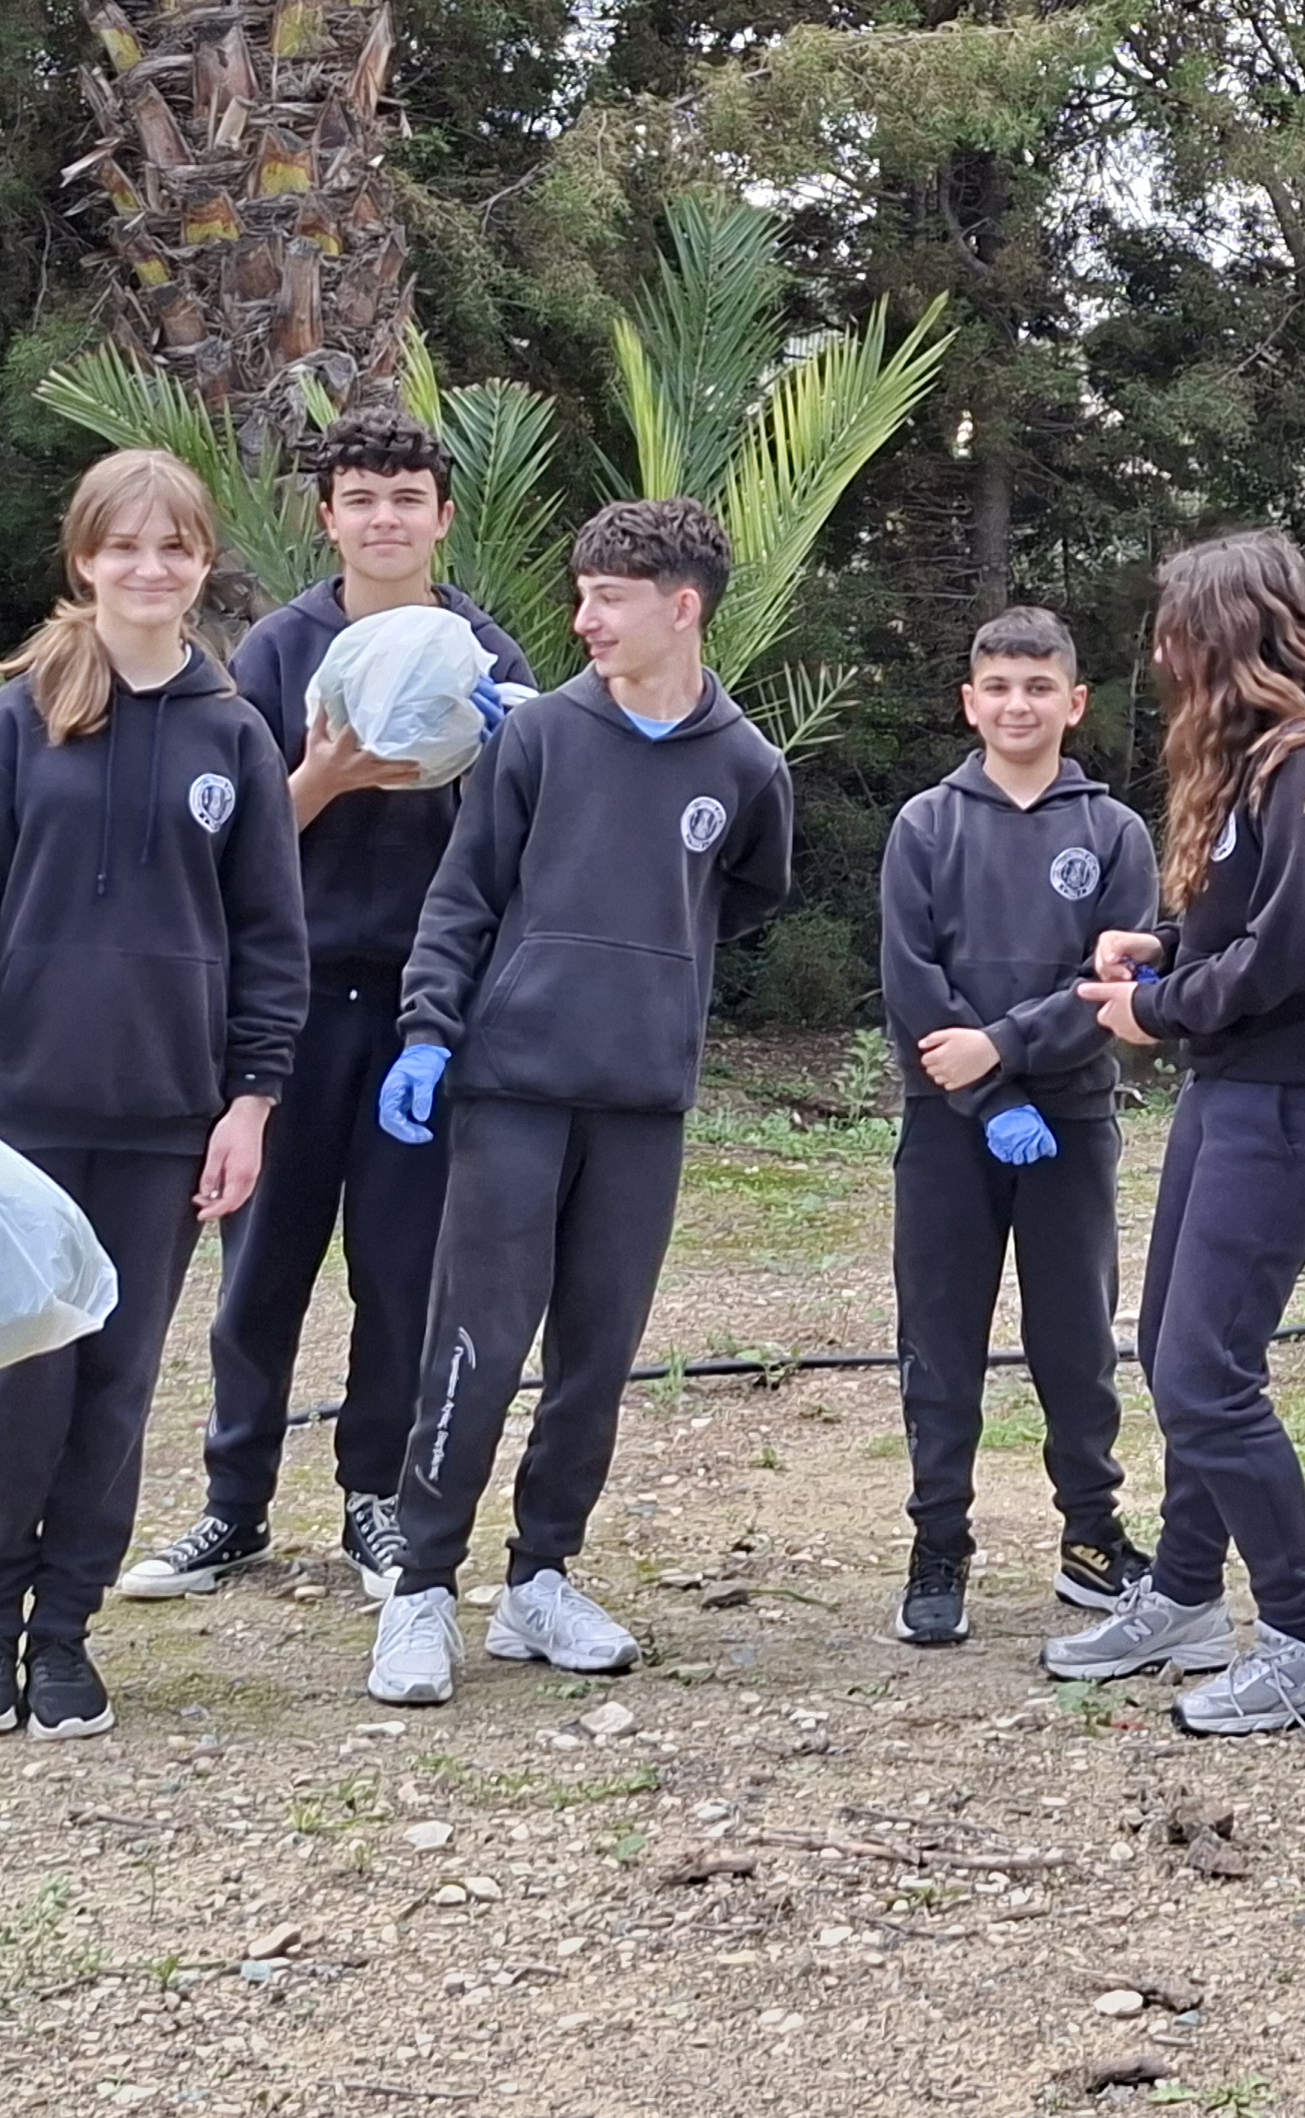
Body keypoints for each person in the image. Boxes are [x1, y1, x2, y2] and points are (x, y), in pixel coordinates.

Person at [0, 449, 305, 1741]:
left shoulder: (236, 736)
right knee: (12, 1382)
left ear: (203, 563)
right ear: (84, 561)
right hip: (22, 1115)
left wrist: (250, 1105)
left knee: (113, 1382)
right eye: (125, 546)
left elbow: (270, 942)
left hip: (168, 1123)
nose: (149, 568)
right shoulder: (17, 719)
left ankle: (65, 1635)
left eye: (174, 546)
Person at [364, 497, 794, 1708]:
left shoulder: (748, 768)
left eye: (609, 598)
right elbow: (462, 897)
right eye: (583, 593)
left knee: (595, 1356)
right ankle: (421, 1590)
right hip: (512, 1088)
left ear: (681, 607)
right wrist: (428, 1032)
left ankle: (540, 1579)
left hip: (641, 1102)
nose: (583, 619)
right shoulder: (539, 738)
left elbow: (747, 892)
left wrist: (646, 971)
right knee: (477, 1342)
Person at [123, 407, 535, 1607]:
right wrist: (325, 776)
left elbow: (517, 845)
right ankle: (232, 1505)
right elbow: (229, 843)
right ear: (328, 518)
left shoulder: (486, 653)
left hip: (421, 1017)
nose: (384, 519)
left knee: (401, 1272)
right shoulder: (278, 651)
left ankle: (376, 1501)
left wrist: (513, 753)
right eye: (362, 499)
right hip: (287, 1012)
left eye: (406, 500)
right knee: (260, 1268)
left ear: (443, 518)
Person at [1045, 532, 1305, 1736]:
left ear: (1225, 636)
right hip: (1236, 1086)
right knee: (1175, 1350)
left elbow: (1296, 953)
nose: (1161, 655)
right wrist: (1161, 947)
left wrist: (1155, 1010)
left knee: (1208, 1373)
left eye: (1176, 632)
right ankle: (1187, 1597)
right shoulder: (1261, 762)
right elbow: (1250, 924)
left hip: (1300, 1100)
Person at [879, 607, 1163, 1648]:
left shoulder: (1115, 835)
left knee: (1076, 1338)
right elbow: (911, 983)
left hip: (1072, 1120)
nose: (1017, 705)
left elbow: (1111, 987)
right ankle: (938, 1547)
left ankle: (1092, 1537)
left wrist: (1001, 1049)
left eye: (1039, 688)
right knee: (940, 1337)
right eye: (998, 687)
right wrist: (987, 1098)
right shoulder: (926, 827)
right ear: (970, 701)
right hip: (947, 1126)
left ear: (1074, 703)